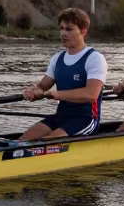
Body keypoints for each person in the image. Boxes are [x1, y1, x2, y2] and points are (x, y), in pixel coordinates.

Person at [20, 8, 107, 140]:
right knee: (24, 140)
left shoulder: (94, 58)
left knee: (47, 142)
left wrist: (59, 94)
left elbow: (91, 95)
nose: (63, 33)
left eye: (69, 29)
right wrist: (32, 92)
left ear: (84, 31)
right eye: (62, 28)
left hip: (85, 120)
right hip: (61, 116)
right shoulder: (57, 58)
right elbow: (42, 87)